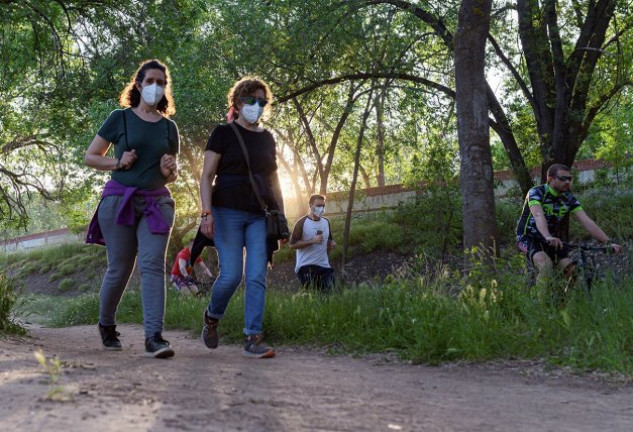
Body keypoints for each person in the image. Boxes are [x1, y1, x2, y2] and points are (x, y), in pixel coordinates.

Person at [85, 59, 179, 358]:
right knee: (120, 267)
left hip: (157, 202)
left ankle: (155, 337)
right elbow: (91, 156)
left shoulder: (169, 127)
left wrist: (170, 170)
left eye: (161, 82)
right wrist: (118, 162)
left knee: (152, 266)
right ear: (138, 85)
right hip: (119, 201)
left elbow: (171, 172)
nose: (156, 87)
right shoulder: (120, 119)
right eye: (150, 81)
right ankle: (107, 324)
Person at [198, 76, 287, 358]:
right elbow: (206, 176)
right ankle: (212, 316)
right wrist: (206, 213)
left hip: (259, 216)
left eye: (262, 101)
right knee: (232, 275)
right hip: (226, 213)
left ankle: (253, 337)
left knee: (257, 275)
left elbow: (274, 181)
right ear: (237, 102)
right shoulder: (222, 133)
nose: (257, 106)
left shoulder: (268, 138)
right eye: (251, 100)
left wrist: (281, 220)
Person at [516, 163, 622, 295]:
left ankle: (562, 302)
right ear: (550, 179)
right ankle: (540, 309)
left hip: (551, 239)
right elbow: (538, 215)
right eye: (563, 178)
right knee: (545, 264)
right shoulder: (536, 192)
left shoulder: (568, 198)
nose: (567, 182)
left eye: (569, 179)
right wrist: (547, 236)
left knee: (572, 270)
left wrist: (608, 242)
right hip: (528, 236)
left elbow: (587, 221)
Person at [290, 194, 336, 292]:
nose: (321, 208)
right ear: (311, 206)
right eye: (318, 206)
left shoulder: (326, 222)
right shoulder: (302, 222)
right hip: (306, 266)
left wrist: (331, 244)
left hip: (324, 266)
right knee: (313, 298)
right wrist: (312, 241)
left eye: (323, 206)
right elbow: (293, 245)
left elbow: (329, 241)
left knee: (330, 295)